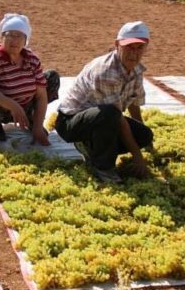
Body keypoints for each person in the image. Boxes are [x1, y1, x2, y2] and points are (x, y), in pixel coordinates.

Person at [54, 21, 154, 183]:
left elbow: (134, 103)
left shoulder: (136, 69)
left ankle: (91, 146)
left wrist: (144, 141)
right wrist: (137, 155)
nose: (133, 53)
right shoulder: (105, 71)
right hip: (71, 123)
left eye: (139, 48)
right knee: (110, 114)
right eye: (128, 47)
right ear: (117, 45)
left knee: (144, 135)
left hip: (99, 119)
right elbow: (116, 117)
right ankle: (103, 167)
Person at [0, 13, 59, 146]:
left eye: (18, 36)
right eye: (9, 35)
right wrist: (14, 106)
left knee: (52, 77)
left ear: (25, 40)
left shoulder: (31, 58)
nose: (14, 40)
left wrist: (38, 127)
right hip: (3, 108)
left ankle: (31, 118)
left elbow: (41, 95)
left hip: (26, 104)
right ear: (2, 38)